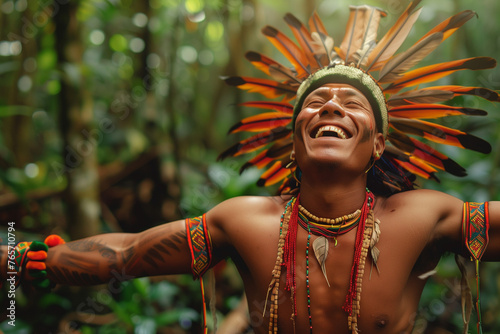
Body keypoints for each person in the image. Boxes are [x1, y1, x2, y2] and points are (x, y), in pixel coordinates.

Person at [2, 2, 500, 333]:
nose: (329, 107)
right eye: (316, 101)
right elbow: (126, 255)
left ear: (379, 144)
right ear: (294, 138)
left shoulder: (421, 218)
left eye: (352, 103)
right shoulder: (244, 221)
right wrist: (22, 260)